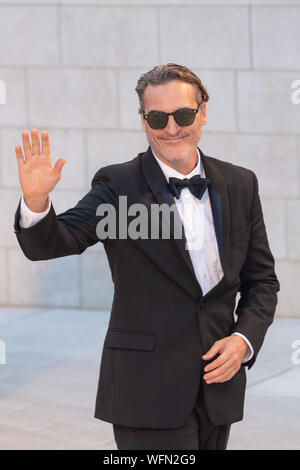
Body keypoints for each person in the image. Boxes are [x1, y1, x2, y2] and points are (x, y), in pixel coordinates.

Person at [13, 63, 280, 450]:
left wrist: (243, 339)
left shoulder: (240, 183)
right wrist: (37, 202)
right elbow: (56, 241)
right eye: (158, 118)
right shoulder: (117, 185)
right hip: (145, 391)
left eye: (183, 115)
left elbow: (263, 283)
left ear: (203, 111)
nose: (172, 128)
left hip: (218, 389)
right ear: (143, 122)